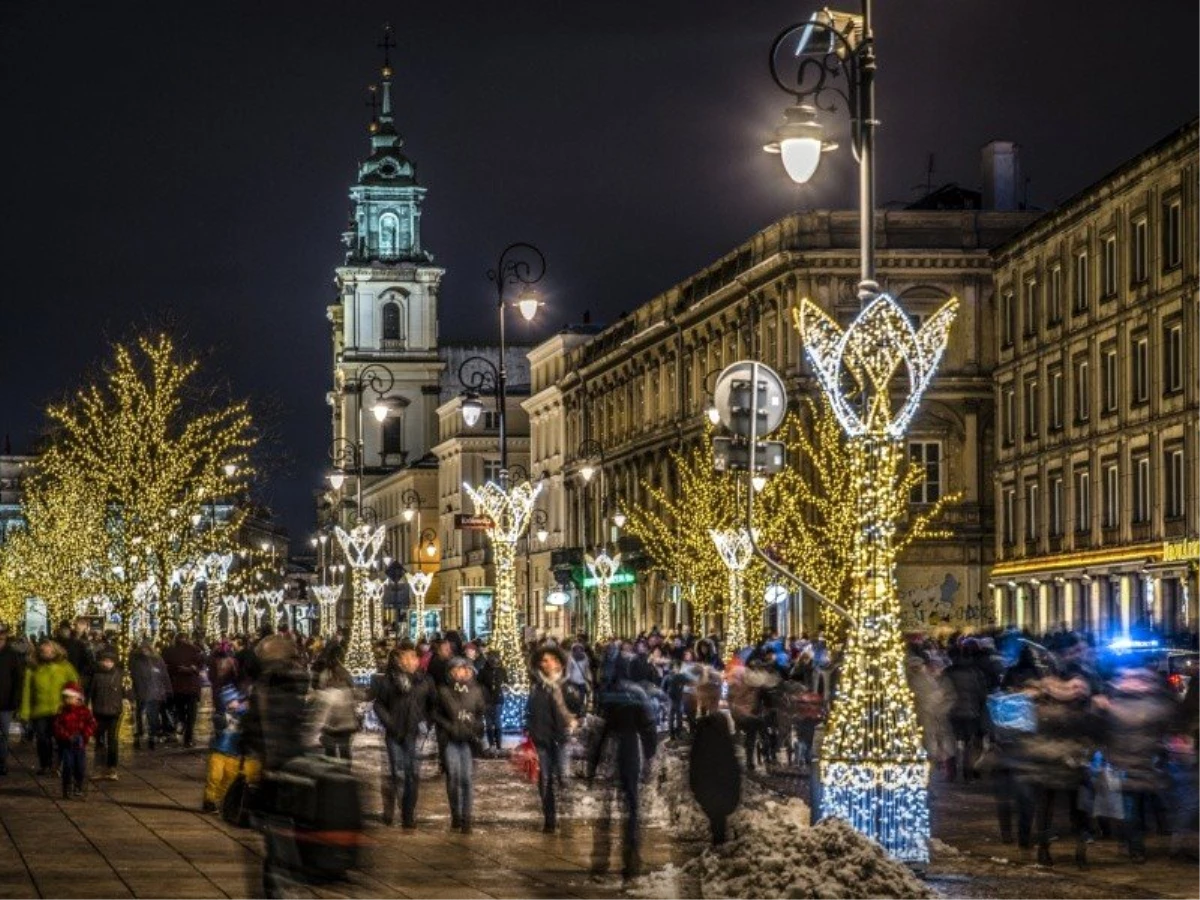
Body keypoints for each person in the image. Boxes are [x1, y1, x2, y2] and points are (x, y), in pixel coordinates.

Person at [588, 653, 659, 878]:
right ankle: (631, 860)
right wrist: (650, 755)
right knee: (632, 805)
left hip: (613, 749)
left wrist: (594, 763)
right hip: (630, 749)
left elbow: (601, 729)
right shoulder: (637, 694)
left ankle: (601, 861)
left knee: (606, 810)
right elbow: (648, 727)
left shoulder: (610, 693)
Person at [370, 642, 433, 828]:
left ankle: (407, 814)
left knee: (411, 774)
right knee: (397, 773)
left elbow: (432, 704)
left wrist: (426, 722)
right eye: (409, 657)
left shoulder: (423, 680)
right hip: (394, 734)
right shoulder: (389, 681)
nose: (414, 660)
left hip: (412, 733)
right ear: (400, 660)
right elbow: (378, 704)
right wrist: (390, 722)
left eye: (414, 657)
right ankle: (393, 809)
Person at [526, 645, 575, 833]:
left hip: (561, 740)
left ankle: (566, 816)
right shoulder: (537, 687)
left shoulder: (566, 685)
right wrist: (532, 732)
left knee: (564, 778)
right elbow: (531, 712)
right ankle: (550, 819)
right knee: (545, 779)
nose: (549, 664)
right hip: (542, 740)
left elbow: (576, 708)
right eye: (545, 660)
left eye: (553, 660)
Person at [433, 657, 485, 833]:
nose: (458, 673)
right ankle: (456, 814)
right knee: (454, 777)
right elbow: (436, 713)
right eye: (454, 670)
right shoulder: (444, 691)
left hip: (468, 740)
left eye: (461, 669)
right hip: (450, 739)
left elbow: (480, 714)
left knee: (467, 779)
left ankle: (466, 819)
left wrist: (475, 726)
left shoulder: (475, 691)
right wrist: (450, 726)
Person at [689, 682, 741, 845]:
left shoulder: (707, 724)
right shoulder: (720, 722)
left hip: (710, 776)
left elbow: (699, 753)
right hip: (721, 775)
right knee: (718, 816)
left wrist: (695, 777)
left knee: (715, 815)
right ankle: (720, 843)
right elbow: (728, 750)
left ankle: (719, 845)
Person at [19, 640, 79, 775]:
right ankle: (45, 764)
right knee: (42, 739)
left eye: (49, 651)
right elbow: (27, 691)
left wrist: (74, 704)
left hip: (60, 709)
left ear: (55, 651)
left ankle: (58, 765)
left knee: (61, 739)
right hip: (40, 710)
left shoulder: (65, 667)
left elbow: (75, 685)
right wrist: (25, 712)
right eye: (43, 652)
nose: (46, 654)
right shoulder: (33, 668)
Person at [203, 683, 259, 813]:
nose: (238, 703)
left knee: (229, 779)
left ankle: (219, 801)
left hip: (234, 754)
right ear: (227, 703)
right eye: (234, 700)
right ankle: (209, 801)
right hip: (219, 752)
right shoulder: (221, 716)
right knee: (215, 777)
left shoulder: (244, 716)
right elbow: (219, 723)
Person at [310, 657, 359, 761]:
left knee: (331, 752)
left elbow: (322, 712)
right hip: (346, 726)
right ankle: (345, 772)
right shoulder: (347, 689)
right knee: (344, 751)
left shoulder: (328, 692)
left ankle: (336, 771)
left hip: (331, 727)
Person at [53, 682, 96, 799]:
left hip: (80, 744)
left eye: (71, 697)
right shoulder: (62, 711)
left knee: (80, 767)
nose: (68, 700)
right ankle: (67, 787)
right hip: (67, 744)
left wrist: (85, 734)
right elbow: (58, 727)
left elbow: (91, 724)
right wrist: (67, 736)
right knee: (68, 766)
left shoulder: (84, 711)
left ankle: (79, 786)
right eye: (66, 697)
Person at [87, 648, 124, 781]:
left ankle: (112, 767)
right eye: (104, 661)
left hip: (114, 712)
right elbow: (91, 693)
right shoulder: (96, 676)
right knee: (99, 741)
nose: (107, 664)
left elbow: (127, 692)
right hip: (99, 711)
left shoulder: (120, 675)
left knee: (112, 741)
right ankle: (99, 767)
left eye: (109, 661)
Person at [162, 633, 203, 747]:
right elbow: (199, 666)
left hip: (177, 687)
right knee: (191, 714)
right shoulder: (195, 650)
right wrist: (191, 669)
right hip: (192, 687)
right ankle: (188, 738)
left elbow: (166, 669)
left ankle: (182, 723)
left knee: (180, 711)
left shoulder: (169, 651)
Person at [130, 639, 171, 750]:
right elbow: (134, 677)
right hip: (142, 692)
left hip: (154, 693)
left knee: (152, 716)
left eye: (146, 648)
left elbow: (164, 675)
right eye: (143, 648)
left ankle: (151, 736)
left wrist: (167, 689)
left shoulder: (157, 659)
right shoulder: (136, 660)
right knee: (140, 716)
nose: (145, 651)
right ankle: (139, 736)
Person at [0, 625, 25, 776]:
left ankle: (2, 762)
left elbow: (18, 679)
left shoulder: (12, 655)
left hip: (5, 703)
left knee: (3, 735)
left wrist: (16, 700)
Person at [478, 648, 506, 755]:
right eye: (492, 658)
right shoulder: (483, 670)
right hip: (487, 700)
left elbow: (506, 682)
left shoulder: (501, 670)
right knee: (489, 723)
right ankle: (491, 745)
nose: (494, 660)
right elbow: (479, 683)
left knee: (497, 721)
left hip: (498, 699)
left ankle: (499, 745)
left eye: (496, 658)